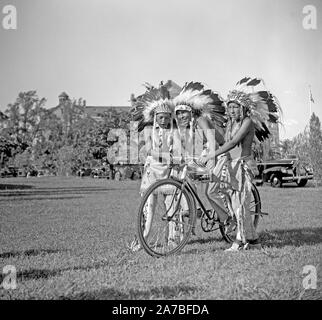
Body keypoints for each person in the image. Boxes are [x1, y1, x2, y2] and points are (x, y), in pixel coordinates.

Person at [199, 77, 281, 251]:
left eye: (236, 107)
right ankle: (254, 241)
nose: (232, 110)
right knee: (235, 203)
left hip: (243, 165)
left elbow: (233, 143)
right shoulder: (231, 123)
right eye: (230, 107)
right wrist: (208, 125)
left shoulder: (247, 122)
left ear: (243, 108)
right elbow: (224, 140)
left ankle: (238, 241)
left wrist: (212, 154)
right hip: (231, 164)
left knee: (240, 204)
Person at [171, 82, 226, 235]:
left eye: (183, 112)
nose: (181, 115)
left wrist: (206, 158)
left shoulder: (201, 120)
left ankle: (227, 219)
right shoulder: (187, 127)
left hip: (220, 154)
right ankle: (195, 209)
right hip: (205, 156)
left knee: (211, 191)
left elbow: (213, 142)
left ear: (191, 111)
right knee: (184, 176)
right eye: (178, 113)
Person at [128, 83, 175, 251]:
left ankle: (173, 239)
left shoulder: (174, 131)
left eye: (167, 117)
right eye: (160, 117)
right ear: (155, 116)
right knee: (149, 207)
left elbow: (177, 149)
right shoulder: (149, 130)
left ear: (171, 117)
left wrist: (174, 157)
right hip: (152, 171)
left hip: (168, 171)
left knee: (171, 206)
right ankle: (142, 239)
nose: (163, 120)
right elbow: (148, 149)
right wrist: (166, 156)